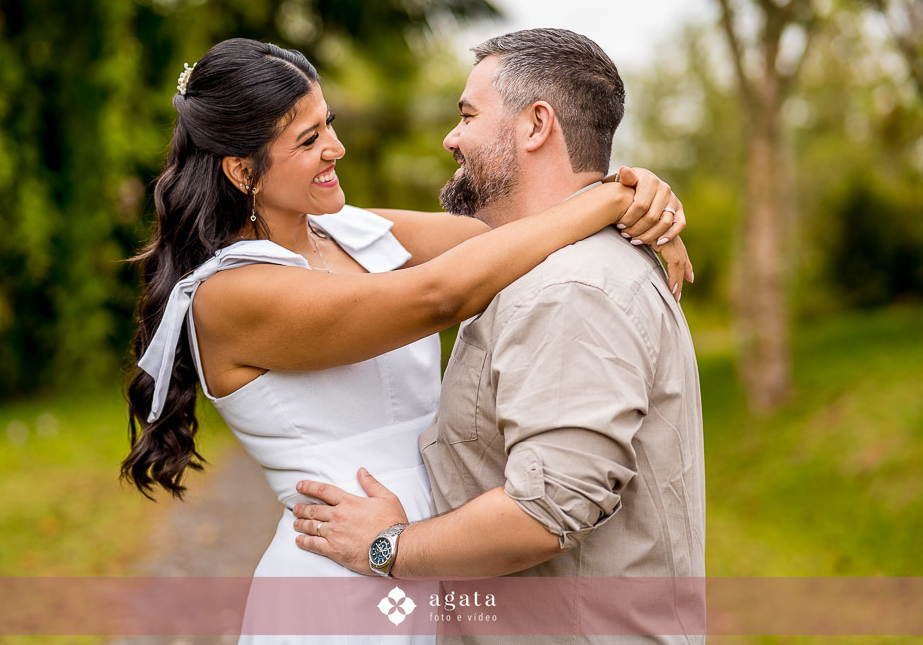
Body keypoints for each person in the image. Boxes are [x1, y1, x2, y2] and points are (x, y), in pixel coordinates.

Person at [123, 38, 689, 644]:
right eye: (308, 140)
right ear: (242, 170)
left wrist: (637, 203)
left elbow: (509, 231)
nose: (335, 149)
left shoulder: (352, 230)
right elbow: (440, 296)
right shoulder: (230, 295)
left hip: (434, 551)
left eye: (329, 125)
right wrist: (608, 199)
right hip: (342, 575)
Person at [292, 29, 705, 644]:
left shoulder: (569, 288)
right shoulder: (541, 266)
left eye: (467, 115)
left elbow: (543, 513)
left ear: (537, 125)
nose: (450, 138)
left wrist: (384, 549)